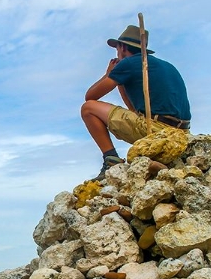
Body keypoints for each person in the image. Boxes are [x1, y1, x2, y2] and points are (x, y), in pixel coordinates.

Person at [80, 24, 191, 180]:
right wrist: (120, 81)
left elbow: (91, 96)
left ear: (123, 47)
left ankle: (111, 159)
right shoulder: (166, 65)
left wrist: (109, 74)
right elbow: (135, 111)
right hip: (182, 134)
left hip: (156, 129)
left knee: (88, 109)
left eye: (117, 48)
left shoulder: (129, 63)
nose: (117, 53)